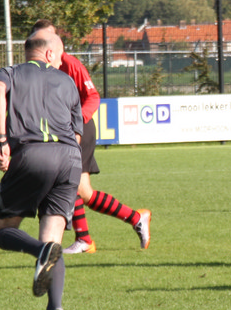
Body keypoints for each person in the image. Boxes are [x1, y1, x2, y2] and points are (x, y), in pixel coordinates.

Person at [0, 32, 83, 310]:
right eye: (61, 54)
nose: (62, 60)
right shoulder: (66, 80)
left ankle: (40, 252)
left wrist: (1, 140)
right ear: (50, 54)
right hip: (70, 158)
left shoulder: (9, 73)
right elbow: (77, 132)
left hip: (32, 155)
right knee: (53, 239)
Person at [28, 20, 151, 252]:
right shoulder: (34, 68)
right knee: (83, 192)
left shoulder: (70, 64)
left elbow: (93, 97)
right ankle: (136, 218)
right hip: (59, 132)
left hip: (79, 130)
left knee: (69, 183)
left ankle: (85, 239)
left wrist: (76, 122)